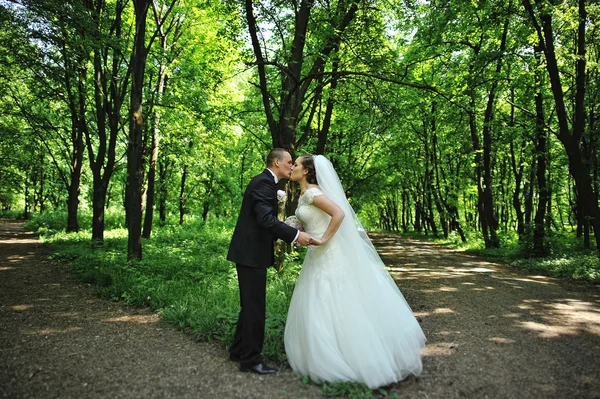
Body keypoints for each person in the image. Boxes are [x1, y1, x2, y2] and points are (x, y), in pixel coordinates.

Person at [284, 154, 426, 389]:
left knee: (336, 299)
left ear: (307, 171)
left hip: (328, 253)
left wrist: (322, 240)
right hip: (316, 257)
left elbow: (339, 214)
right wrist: (297, 228)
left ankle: (356, 358)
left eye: (296, 165)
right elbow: (313, 219)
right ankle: (325, 353)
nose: (292, 168)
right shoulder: (304, 193)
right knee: (320, 301)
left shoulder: (312, 193)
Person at [227, 148, 313, 375]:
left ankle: (238, 350)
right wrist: (295, 236)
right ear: (277, 162)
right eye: (289, 163)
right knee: (255, 308)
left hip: (250, 253)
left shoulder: (267, 183)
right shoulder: (263, 184)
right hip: (250, 254)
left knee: (249, 305)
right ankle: (251, 360)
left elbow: (264, 220)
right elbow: (265, 219)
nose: (292, 166)